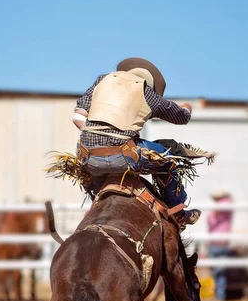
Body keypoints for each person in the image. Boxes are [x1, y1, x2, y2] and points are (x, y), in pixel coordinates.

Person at [73, 57, 201, 226]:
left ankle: (97, 200)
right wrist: (187, 108)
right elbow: (181, 117)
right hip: (124, 156)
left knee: (91, 177)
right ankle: (177, 212)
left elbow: (77, 117)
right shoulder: (145, 91)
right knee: (168, 159)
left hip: (87, 156)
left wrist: (99, 140)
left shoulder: (101, 81)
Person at [207, 190, 234, 301]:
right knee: (215, 272)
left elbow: (228, 203)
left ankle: (220, 296)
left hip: (221, 243)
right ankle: (218, 294)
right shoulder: (217, 210)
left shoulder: (226, 206)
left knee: (220, 271)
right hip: (213, 243)